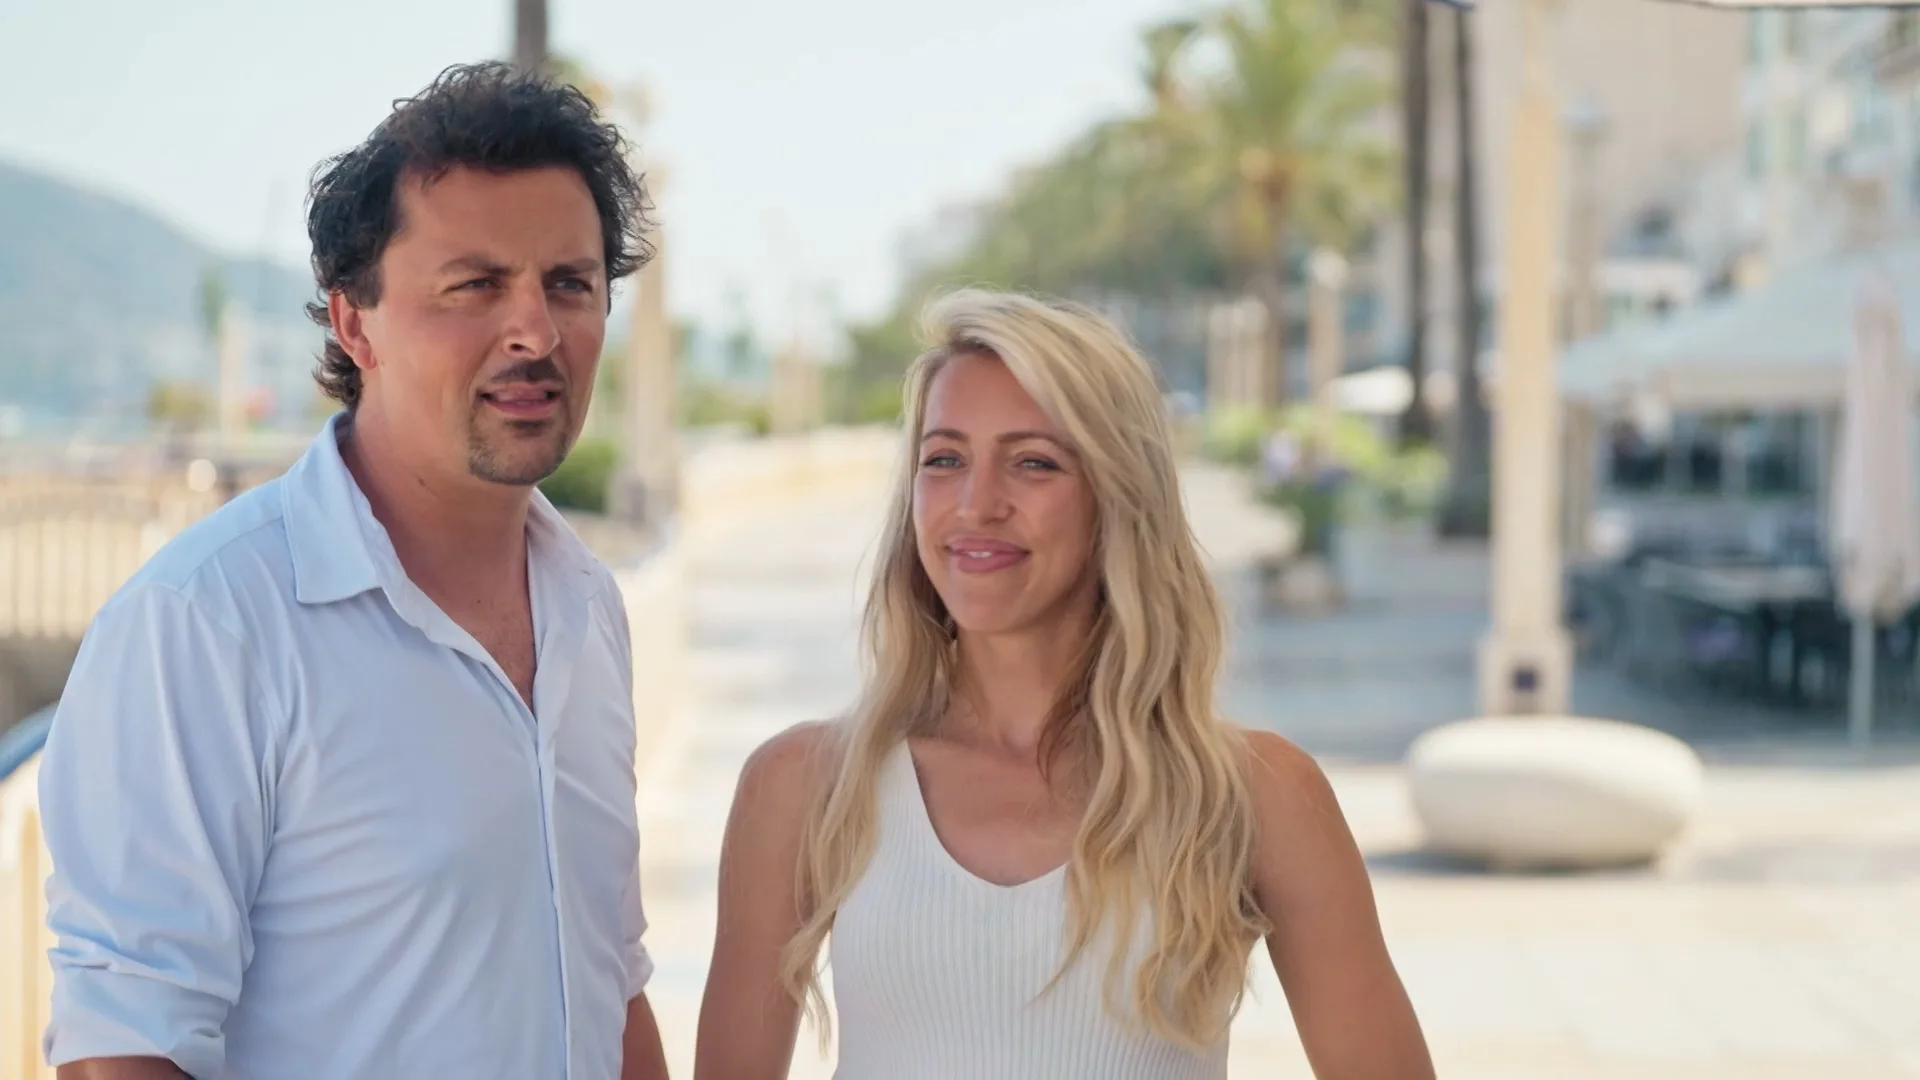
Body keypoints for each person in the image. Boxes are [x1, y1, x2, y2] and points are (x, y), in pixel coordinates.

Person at [37, 62, 669, 1080]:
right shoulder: (206, 623)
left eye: (570, 283)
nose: (536, 332)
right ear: (353, 322)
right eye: (475, 285)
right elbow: (126, 1042)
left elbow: (611, 980)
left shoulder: (589, 606)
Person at [694, 290, 1433, 1079]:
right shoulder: (806, 786)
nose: (976, 505)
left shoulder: (1253, 795)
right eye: (944, 460)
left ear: (1117, 496)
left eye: (1033, 462)